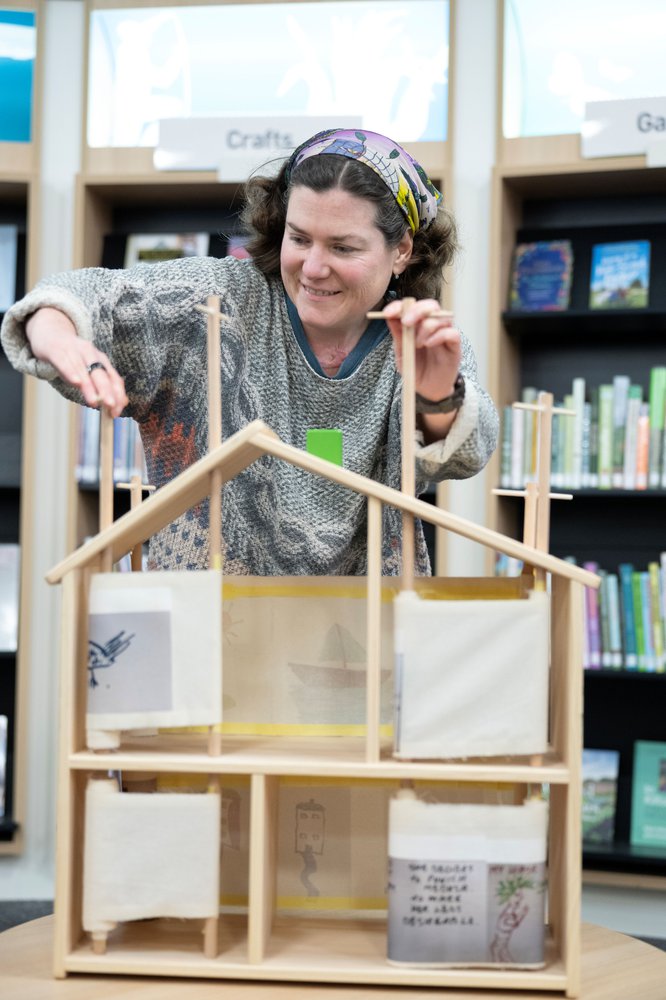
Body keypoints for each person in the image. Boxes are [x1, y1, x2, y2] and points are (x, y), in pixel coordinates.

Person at [1, 127, 498, 576]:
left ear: (402, 250)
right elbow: (78, 296)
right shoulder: (217, 299)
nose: (313, 267)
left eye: (343, 248)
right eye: (299, 238)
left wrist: (436, 397)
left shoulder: (419, 340)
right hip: (204, 626)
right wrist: (59, 335)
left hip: (361, 632)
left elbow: (466, 455)